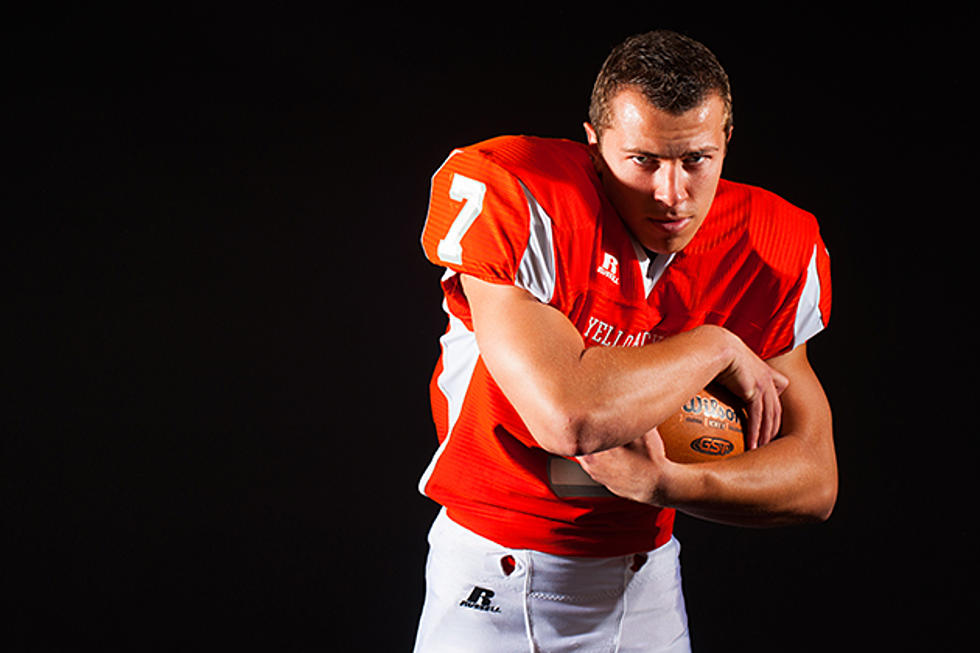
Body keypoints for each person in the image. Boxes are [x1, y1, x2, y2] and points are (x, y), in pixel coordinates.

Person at [412, 29, 836, 652]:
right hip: (491, 579)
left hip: (646, 584)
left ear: (725, 144)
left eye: (696, 159)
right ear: (593, 144)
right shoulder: (523, 194)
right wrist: (714, 344)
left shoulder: (769, 243)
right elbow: (572, 419)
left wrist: (668, 486)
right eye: (643, 161)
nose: (671, 194)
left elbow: (814, 480)